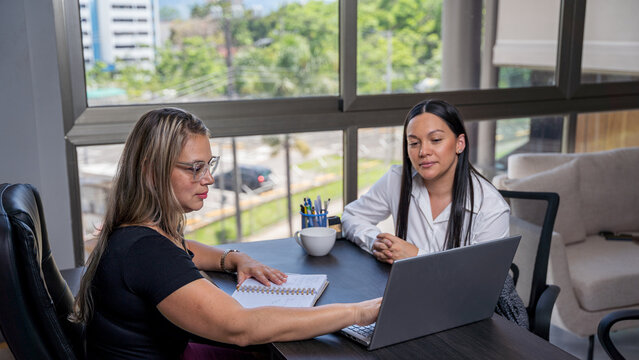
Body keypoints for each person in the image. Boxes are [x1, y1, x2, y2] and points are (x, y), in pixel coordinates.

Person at [71, 108, 381, 359]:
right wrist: (356, 312)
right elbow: (241, 326)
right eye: (195, 168)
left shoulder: (138, 231)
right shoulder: (147, 252)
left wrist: (234, 258)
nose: (209, 179)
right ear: (152, 171)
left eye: (209, 165)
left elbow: (183, 248)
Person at [342, 99, 510, 262]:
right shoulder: (397, 179)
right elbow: (352, 216)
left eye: (436, 140)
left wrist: (415, 256)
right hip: (408, 286)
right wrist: (375, 242)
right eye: (414, 143)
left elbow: (481, 281)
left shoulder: (491, 207)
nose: (423, 151)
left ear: (460, 144)